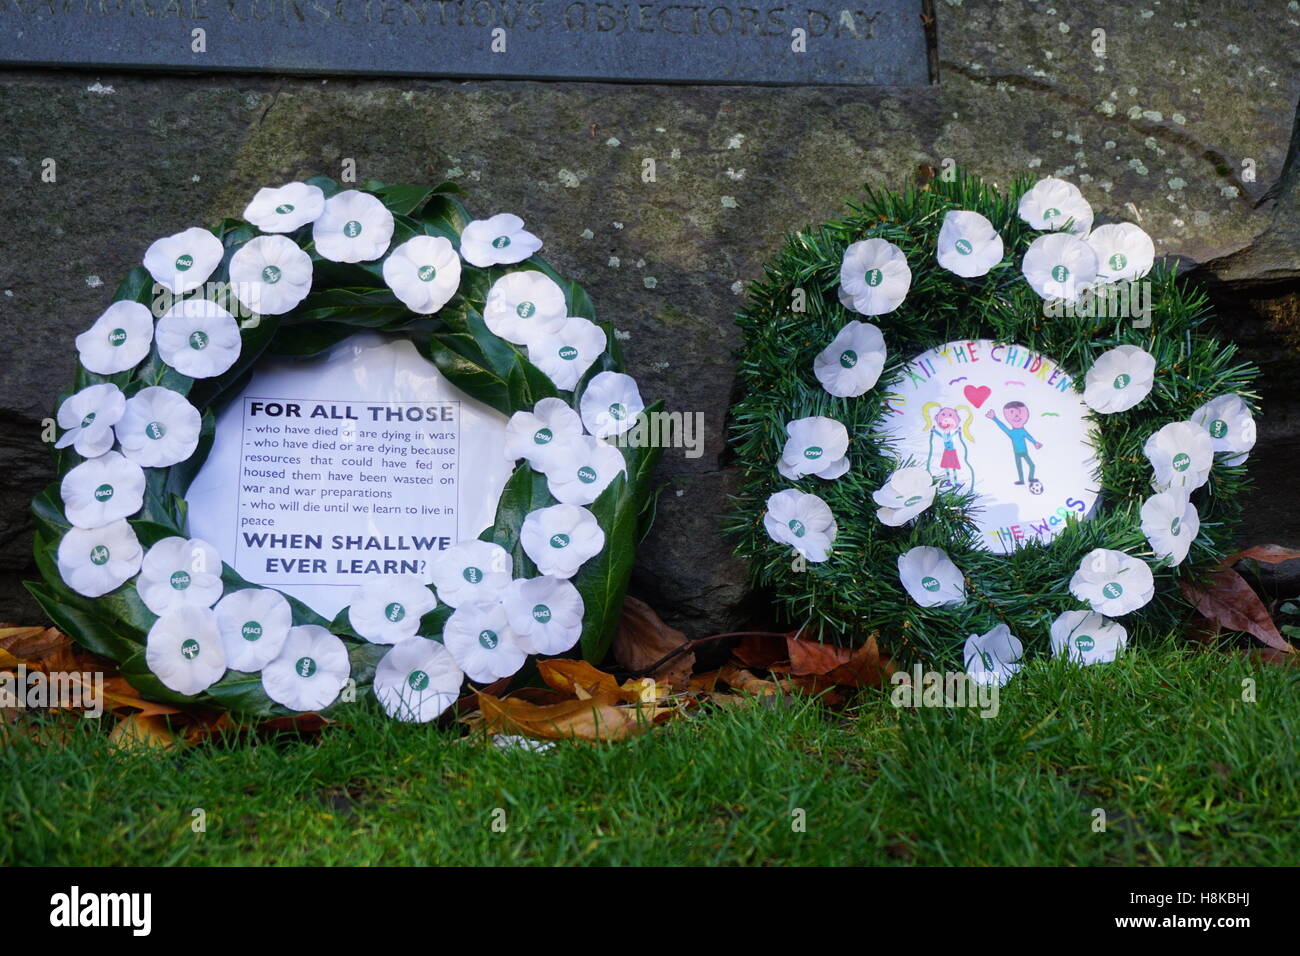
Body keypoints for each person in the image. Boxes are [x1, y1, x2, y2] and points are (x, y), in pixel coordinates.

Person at [986, 401, 1043, 485]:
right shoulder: (1011, 433)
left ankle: (1030, 478)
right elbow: (1003, 426)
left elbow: (1029, 437)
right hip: (1017, 453)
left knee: (1032, 465)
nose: (1016, 416)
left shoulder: (1022, 431)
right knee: (1019, 467)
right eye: (1012, 413)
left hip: (1024, 452)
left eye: (1020, 413)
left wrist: (1035, 442)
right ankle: (1021, 480)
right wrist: (994, 418)